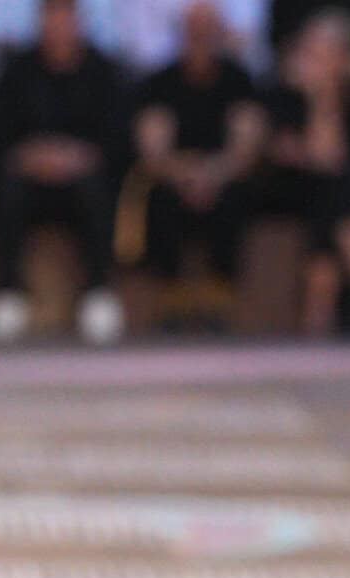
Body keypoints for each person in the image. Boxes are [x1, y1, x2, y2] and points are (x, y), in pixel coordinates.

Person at [0, 0, 131, 344]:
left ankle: (98, 293)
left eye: (66, 17)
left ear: (79, 22)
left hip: (84, 179)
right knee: (7, 189)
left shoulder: (104, 70)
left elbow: (118, 139)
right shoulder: (16, 69)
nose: (59, 25)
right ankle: (7, 293)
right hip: (28, 179)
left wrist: (78, 157)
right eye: (52, 17)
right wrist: (32, 156)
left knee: (98, 190)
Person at [259, 8, 350, 332]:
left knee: (336, 197)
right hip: (288, 189)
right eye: (312, 54)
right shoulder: (284, 95)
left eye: (328, 55)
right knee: (337, 193)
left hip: (339, 196)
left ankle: (318, 313)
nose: (319, 63)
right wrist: (319, 100)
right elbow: (321, 158)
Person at [128, 0, 264, 330]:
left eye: (207, 32)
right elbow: (153, 150)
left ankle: (221, 294)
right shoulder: (160, 82)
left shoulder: (238, 80)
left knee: (236, 197)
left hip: (224, 176)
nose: (200, 40)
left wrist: (213, 175)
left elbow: (246, 146)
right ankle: (171, 295)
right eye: (194, 32)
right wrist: (186, 176)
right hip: (175, 177)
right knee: (159, 198)